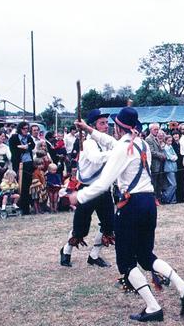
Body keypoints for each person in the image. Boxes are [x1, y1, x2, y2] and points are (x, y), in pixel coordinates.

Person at [69, 107, 184, 322]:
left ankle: (153, 307)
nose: (112, 131)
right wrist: (88, 129)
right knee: (146, 257)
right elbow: (112, 143)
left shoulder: (123, 148)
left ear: (119, 128)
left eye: (114, 127)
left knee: (127, 262)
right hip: (149, 203)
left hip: (131, 206)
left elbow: (103, 183)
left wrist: (79, 197)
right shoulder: (142, 144)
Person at [59, 109, 115, 269]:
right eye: (102, 123)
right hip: (87, 190)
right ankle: (66, 250)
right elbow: (96, 159)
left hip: (103, 189)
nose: (105, 126)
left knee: (109, 225)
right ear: (92, 126)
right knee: (80, 227)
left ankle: (94, 256)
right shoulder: (88, 143)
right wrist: (117, 153)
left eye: (106, 123)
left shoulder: (106, 142)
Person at [8, 121, 35, 215]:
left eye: (27, 129)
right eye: (24, 129)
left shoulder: (29, 137)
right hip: (19, 164)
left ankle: (27, 207)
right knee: (20, 186)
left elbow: (32, 145)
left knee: (28, 186)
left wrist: (25, 147)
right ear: (20, 129)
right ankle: (20, 206)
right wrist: (23, 147)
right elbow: (13, 149)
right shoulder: (14, 138)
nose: (26, 130)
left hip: (29, 163)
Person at [145, 123, 166, 205]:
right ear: (150, 130)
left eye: (157, 129)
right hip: (154, 164)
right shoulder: (148, 139)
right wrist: (161, 155)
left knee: (159, 182)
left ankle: (158, 197)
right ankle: (154, 199)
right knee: (154, 182)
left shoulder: (156, 138)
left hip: (160, 163)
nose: (157, 131)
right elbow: (152, 151)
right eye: (155, 129)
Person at [161, 136, 178, 204]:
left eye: (171, 141)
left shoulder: (170, 147)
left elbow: (175, 156)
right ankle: (165, 196)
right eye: (169, 141)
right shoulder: (165, 148)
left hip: (173, 167)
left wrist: (174, 157)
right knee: (173, 184)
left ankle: (172, 200)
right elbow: (170, 157)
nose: (170, 142)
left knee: (172, 184)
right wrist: (174, 157)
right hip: (169, 167)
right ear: (165, 141)